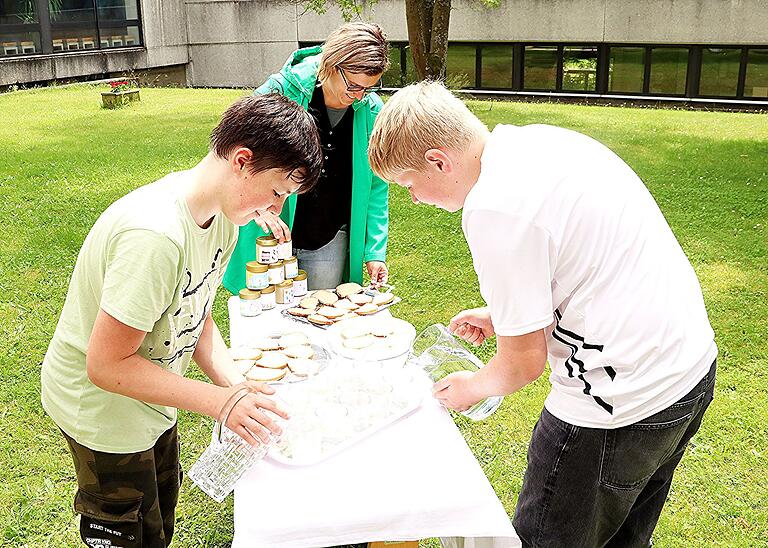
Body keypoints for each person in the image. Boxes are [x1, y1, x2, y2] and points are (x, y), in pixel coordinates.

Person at [368, 82, 717, 547]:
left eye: (409, 184)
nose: (413, 199)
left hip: (619, 401)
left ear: (438, 160)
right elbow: (584, 255)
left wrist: (471, 387)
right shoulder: (536, 141)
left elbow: (521, 364)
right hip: (689, 372)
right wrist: (508, 314)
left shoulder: (493, 207)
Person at [40, 94, 322, 547]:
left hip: (152, 395)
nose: (274, 211)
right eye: (277, 193)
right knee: (125, 531)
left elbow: (197, 306)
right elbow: (107, 365)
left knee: (158, 522)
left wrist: (234, 385)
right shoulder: (154, 237)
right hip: (103, 411)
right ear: (242, 161)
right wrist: (219, 403)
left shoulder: (225, 218)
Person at [222, 21, 391, 293]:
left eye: (368, 88)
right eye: (354, 85)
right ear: (332, 64)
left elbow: (376, 188)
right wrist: (259, 210)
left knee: (320, 323)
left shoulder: (371, 111)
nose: (358, 96)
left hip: (328, 241)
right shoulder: (281, 90)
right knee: (267, 322)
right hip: (271, 237)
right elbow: (232, 151)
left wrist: (374, 251)